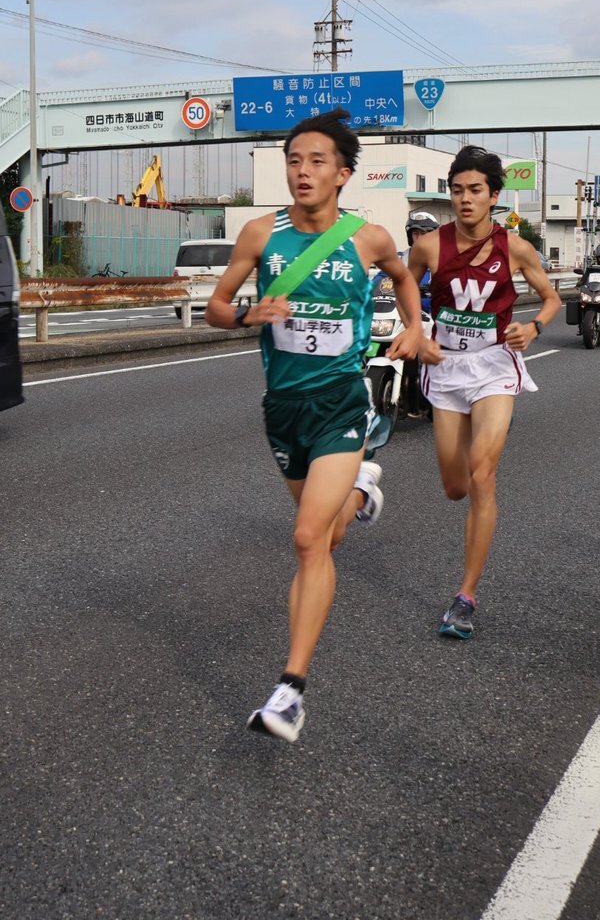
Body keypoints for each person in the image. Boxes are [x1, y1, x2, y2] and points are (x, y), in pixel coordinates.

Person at [205, 108, 424, 741]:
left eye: (317, 161)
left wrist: (412, 327)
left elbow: (404, 279)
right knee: (327, 541)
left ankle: (290, 690)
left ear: (343, 174)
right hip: (284, 408)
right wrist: (251, 315)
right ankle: (362, 492)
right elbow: (217, 308)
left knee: (306, 539)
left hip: (341, 400)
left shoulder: (369, 238)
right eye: (294, 161)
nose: (303, 171)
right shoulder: (258, 233)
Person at [408, 145, 561, 639]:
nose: (465, 199)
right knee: (455, 487)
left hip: (496, 364)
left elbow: (552, 296)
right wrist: (418, 331)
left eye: (475, 190)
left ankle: (465, 597)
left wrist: (533, 327)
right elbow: (406, 290)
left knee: (482, 473)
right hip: (448, 368)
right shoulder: (429, 246)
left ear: (494, 195)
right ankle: (479, 430)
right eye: (457, 190)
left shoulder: (515, 247)